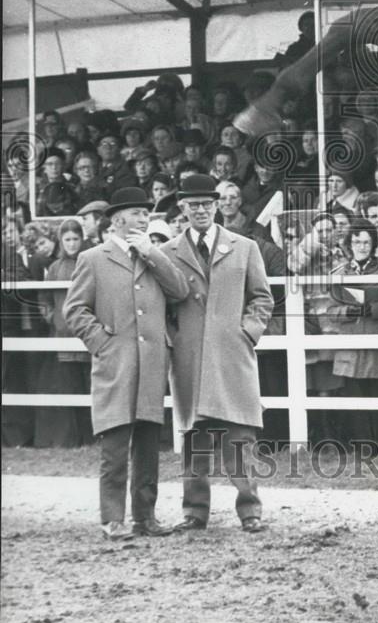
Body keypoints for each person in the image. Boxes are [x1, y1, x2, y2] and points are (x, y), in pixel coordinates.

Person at [63, 187, 190, 540]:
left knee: (149, 445)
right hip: (116, 364)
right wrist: (103, 344)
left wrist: (152, 254)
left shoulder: (154, 255)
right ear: (119, 220)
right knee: (115, 445)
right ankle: (113, 519)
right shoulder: (93, 258)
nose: (145, 219)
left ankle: (145, 518)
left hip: (151, 364)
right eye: (139, 214)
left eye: (147, 215)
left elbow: (179, 292)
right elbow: (74, 310)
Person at [162, 174, 274, 533]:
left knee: (240, 435)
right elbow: (161, 306)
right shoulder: (168, 253)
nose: (201, 211)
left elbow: (262, 297)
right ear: (182, 208)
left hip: (232, 354)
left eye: (207, 204)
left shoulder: (244, 247)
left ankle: (250, 509)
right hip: (190, 356)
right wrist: (175, 339)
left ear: (217, 205)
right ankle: (195, 511)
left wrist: (247, 332)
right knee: (194, 435)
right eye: (193, 205)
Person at [322, 219, 378, 450]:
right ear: (350, 244)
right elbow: (330, 311)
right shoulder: (339, 273)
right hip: (352, 348)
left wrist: (374, 309)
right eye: (357, 241)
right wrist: (348, 310)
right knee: (355, 401)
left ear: (374, 243)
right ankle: (362, 447)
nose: (362, 246)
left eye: (367, 242)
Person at [35, 220, 94, 448]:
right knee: (68, 386)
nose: (71, 244)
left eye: (75, 239)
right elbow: (44, 299)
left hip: (87, 335)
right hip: (62, 337)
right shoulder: (55, 268)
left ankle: (91, 437)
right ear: (61, 241)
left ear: (82, 239)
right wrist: (54, 319)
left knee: (89, 386)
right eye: (67, 239)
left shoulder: (91, 262)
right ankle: (72, 439)